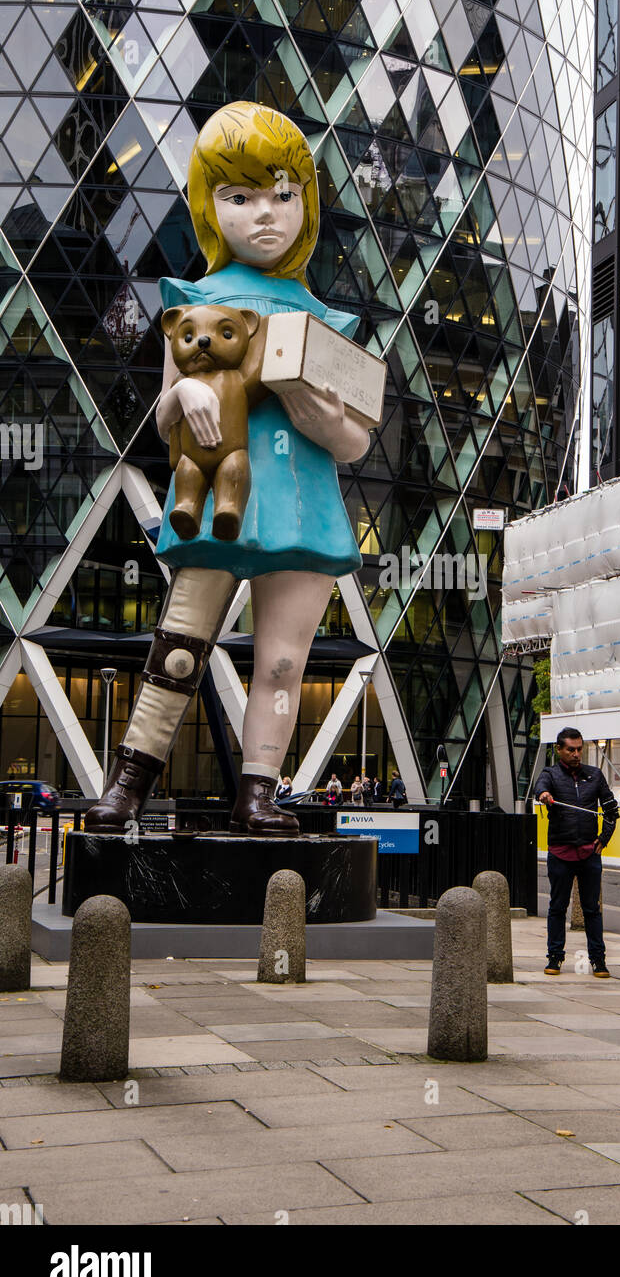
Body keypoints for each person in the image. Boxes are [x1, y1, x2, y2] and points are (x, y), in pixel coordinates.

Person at [85, 102, 372, 836]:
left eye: (281, 193)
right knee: (178, 646)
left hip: (301, 504)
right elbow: (159, 414)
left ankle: (259, 793)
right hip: (216, 497)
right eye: (239, 197)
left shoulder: (327, 322)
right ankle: (127, 786)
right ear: (210, 206)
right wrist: (181, 392)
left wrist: (318, 414)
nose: (265, 215)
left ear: (305, 202)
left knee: (282, 665)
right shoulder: (193, 303)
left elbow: (358, 441)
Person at [534, 727, 619, 978]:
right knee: (557, 907)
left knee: (592, 908)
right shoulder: (550, 773)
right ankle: (555, 957)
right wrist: (544, 795)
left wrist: (604, 839)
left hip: (589, 854)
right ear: (559, 750)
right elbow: (541, 787)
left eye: (580, 749)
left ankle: (598, 960)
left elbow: (611, 810)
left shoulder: (594, 775)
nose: (576, 754)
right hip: (560, 852)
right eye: (570, 749)